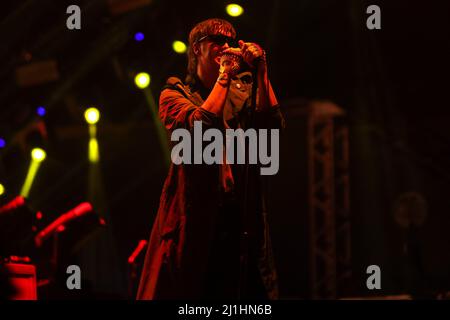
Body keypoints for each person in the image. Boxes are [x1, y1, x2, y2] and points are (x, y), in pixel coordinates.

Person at [137, 18, 284, 300]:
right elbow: (201, 127)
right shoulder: (174, 94)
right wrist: (225, 74)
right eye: (216, 41)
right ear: (197, 49)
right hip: (197, 222)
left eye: (228, 41)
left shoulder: (240, 95)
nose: (225, 47)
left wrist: (262, 71)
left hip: (239, 217)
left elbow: (272, 126)